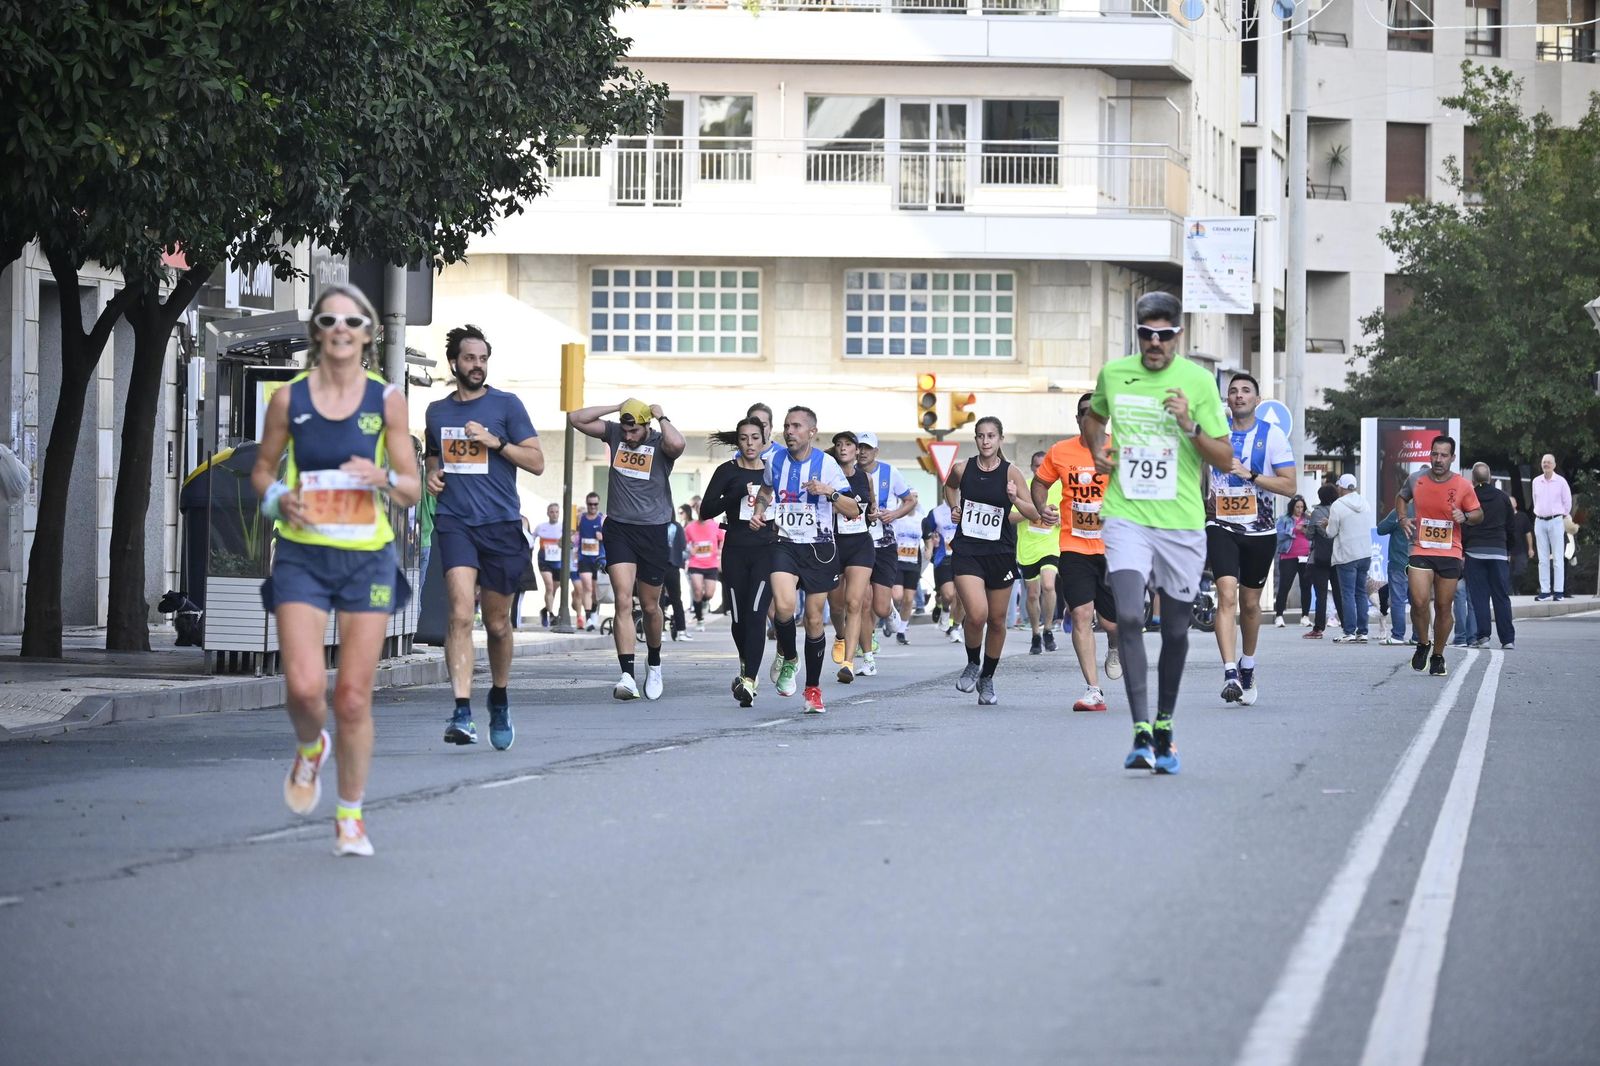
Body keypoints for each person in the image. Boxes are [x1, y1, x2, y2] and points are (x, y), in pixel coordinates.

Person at [254, 283, 421, 857]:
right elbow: (261, 471)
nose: (341, 330)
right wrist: (278, 498)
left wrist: (383, 479)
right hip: (302, 555)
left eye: (353, 322)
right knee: (304, 689)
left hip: (366, 558)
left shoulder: (387, 401)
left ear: (369, 334)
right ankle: (310, 748)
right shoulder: (289, 399)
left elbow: (412, 487)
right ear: (317, 332)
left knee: (351, 696)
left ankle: (350, 815)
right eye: (329, 320)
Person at [1081, 291, 1233, 773]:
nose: (1154, 343)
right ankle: (1141, 732)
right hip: (1126, 514)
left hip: (1181, 522)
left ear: (1177, 336)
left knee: (1174, 629)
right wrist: (1097, 449)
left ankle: (1165, 725)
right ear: (1138, 332)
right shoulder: (1114, 373)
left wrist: (1189, 425)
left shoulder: (1199, 381)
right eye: (1146, 334)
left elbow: (1225, 456)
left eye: (1164, 335)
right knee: (1128, 615)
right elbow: (1093, 417)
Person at [424, 324, 544, 751]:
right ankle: (461, 710)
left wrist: (496, 442)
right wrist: (432, 475)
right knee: (459, 614)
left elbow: (537, 462)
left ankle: (499, 697)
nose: (477, 365)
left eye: (482, 359)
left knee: (496, 624)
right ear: (454, 362)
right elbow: (433, 457)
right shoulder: (436, 412)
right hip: (455, 522)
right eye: (470, 358)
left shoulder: (506, 406)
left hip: (501, 525)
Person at [569, 399, 686, 700]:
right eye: (625, 430)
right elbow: (576, 418)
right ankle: (627, 676)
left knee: (650, 606)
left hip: (653, 530)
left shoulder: (661, 442)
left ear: (647, 425)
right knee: (622, 600)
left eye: (634, 431)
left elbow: (678, 443)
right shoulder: (614, 433)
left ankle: (655, 662)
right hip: (620, 529)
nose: (629, 437)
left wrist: (662, 416)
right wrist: (617, 406)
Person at [751, 406, 861, 714]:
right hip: (784, 543)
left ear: (812, 432)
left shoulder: (827, 464)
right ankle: (790, 657)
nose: (789, 431)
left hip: (819, 548)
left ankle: (813, 689)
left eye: (797, 426)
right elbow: (766, 489)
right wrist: (759, 510)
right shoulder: (774, 460)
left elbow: (854, 510)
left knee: (813, 619)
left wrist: (829, 492)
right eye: (787, 426)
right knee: (783, 607)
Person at [1204, 371, 1297, 702]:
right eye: (1233, 391)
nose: (1239, 395)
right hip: (1221, 525)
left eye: (1246, 390)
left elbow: (1290, 485)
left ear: (1257, 400)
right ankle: (1230, 672)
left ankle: (1247, 664)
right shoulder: (1215, 433)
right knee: (1226, 596)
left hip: (1261, 530)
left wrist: (1251, 475)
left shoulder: (1272, 435)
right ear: (1227, 400)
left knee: (1250, 604)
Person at [1031, 392, 1122, 713]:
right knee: (1081, 614)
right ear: (1078, 418)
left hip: (1113, 547)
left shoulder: (1121, 448)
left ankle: (1114, 646)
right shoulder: (1060, 451)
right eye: (1085, 412)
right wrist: (1042, 507)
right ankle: (1093, 690)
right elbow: (1040, 483)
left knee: (1112, 623)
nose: (1090, 417)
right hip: (1074, 545)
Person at [946, 416, 1045, 706]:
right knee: (977, 614)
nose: (986, 441)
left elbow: (1032, 512)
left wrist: (1015, 499)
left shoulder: (1011, 473)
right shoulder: (962, 468)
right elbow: (949, 487)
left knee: (998, 620)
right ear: (975, 439)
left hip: (1000, 553)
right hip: (968, 550)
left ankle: (987, 677)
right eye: (980, 436)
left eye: (991, 436)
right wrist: (954, 506)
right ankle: (972, 663)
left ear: (1000, 439)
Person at [700, 417, 779, 706]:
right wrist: (734, 495)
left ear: (764, 440)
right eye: (744, 438)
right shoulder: (727, 471)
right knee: (739, 618)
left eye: (755, 438)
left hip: (766, 551)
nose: (749, 444)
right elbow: (705, 511)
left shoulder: (774, 471)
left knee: (757, 614)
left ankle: (749, 680)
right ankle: (747, 666)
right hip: (735, 550)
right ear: (738, 441)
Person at [1397, 435, 1483, 676]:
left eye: (1444, 455)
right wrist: (1402, 518)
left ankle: (1438, 655)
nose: (1438, 459)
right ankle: (1423, 643)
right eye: (1435, 454)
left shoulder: (1463, 485)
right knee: (1419, 601)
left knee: (1444, 607)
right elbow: (1401, 497)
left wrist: (1465, 517)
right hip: (1421, 548)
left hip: (1450, 551)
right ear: (1430, 454)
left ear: (1452, 458)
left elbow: (1478, 514)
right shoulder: (1416, 479)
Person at [854, 432, 918, 655]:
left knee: (879, 606)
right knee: (862, 600)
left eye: (867, 448)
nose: (862, 452)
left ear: (876, 451)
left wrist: (894, 514)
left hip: (884, 542)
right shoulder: (847, 472)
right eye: (860, 447)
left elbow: (910, 500)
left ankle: (888, 610)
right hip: (856, 542)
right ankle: (867, 645)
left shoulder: (890, 472)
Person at [826, 431, 877, 684]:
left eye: (848, 444)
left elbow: (871, 505)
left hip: (860, 544)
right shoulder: (828, 477)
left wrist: (873, 514)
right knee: (836, 606)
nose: (843, 448)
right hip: (833, 545)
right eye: (839, 444)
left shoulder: (865, 477)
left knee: (855, 603)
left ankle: (848, 663)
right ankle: (840, 635)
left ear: (857, 450)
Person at [1463, 462, 1517, 649]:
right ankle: (1507, 639)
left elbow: (1464, 525)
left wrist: (1464, 548)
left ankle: (1483, 637)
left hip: (1474, 551)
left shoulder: (1469, 497)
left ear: (1473, 479)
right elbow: (1511, 527)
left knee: (1479, 597)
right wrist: (1508, 549)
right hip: (1498, 552)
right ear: (1490, 477)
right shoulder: (1503, 498)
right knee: (1501, 596)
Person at [1016, 449, 1063, 656]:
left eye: (1044, 466)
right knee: (1033, 594)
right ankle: (1036, 633)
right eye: (1037, 466)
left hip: (1051, 545)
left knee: (1048, 584)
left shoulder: (1061, 486)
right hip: (1028, 548)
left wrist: (1060, 519)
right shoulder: (1024, 487)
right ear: (1032, 468)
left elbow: (1072, 514)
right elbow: (1010, 517)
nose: (1040, 469)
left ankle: (1049, 629)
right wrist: (1032, 512)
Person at [1325, 473, 1373, 644]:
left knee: (1347, 594)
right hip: (1364, 553)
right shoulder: (1365, 503)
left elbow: (1331, 532)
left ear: (1342, 487)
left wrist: (1326, 525)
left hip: (1346, 554)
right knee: (1361, 593)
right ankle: (1363, 632)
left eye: (1339, 486)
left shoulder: (1338, 505)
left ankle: (1349, 631)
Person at [1531, 453, 1572, 601]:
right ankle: (1545, 591)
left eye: (1549, 462)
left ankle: (1559, 591)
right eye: (1544, 462)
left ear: (1554, 465)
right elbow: (1535, 500)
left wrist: (1561, 516)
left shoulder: (1561, 482)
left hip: (1556, 521)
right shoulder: (1536, 481)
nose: (1546, 464)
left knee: (1557, 557)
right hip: (1540, 521)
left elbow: (1567, 502)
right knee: (1542, 559)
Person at [1374, 503, 1414, 645]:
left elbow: (1381, 529)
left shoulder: (1399, 511)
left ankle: (1398, 635)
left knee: (1398, 600)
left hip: (1399, 561)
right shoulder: (1427, 508)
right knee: (1418, 601)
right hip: (1420, 563)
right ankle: (1418, 636)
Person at [1302, 485, 1338, 639]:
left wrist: (1306, 529)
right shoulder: (1339, 509)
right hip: (1338, 556)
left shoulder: (1317, 512)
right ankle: (1348, 627)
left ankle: (1318, 628)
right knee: (1340, 592)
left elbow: (1310, 535)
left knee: (1321, 594)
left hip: (1321, 557)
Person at [923, 500, 962, 642]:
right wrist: (929, 546)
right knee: (948, 594)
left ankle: (955, 628)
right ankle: (945, 609)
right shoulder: (936, 512)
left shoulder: (967, 507)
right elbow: (927, 529)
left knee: (962, 597)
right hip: (944, 558)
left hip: (964, 557)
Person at [683, 503, 724, 632]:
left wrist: (720, 551)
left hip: (711, 564)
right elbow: (684, 543)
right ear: (696, 511)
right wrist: (690, 549)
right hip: (695, 564)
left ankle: (701, 603)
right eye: (699, 510)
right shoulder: (690, 527)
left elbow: (722, 538)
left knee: (710, 593)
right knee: (697, 590)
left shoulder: (714, 525)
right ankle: (700, 619)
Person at [1272, 495, 1311, 627]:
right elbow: (1278, 535)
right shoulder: (1284, 519)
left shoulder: (1308, 519)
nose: (1300, 510)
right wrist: (1294, 530)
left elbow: (1314, 535)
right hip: (1288, 556)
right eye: (1297, 507)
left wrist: (1307, 531)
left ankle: (1305, 616)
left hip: (1305, 555)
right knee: (1284, 585)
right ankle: (1279, 616)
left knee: (1306, 586)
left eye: (1302, 507)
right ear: (1292, 507)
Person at [575, 493, 604, 630]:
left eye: (595, 504)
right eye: (590, 504)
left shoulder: (602, 519)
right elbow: (574, 534)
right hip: (584, 558)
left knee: (595, 591)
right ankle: (588, 619)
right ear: (586, 504)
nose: (592, 507)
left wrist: (603, 537)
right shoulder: (580, 518)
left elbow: (612, 537)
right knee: (587, 587)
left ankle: (593, 613)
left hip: (598, 559)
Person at [532, 502, 564, 627]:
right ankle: (551, 615)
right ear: (547, 513)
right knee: (549, 587)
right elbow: (531, 539)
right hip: (544, 560)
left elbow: (571, 542)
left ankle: (545, 610)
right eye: (552, 512)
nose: (554, 514)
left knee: (554, 589)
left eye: (556, 512)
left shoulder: (563, 527)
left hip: (558, 562)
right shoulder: (541, 527)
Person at [664, 505, 692, 641]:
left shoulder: (657, 525)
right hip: (673, 565)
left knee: (658, 600)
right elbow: (682, 546)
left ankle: (660, 632)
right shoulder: (677, 527)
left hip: (658, 565)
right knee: (676, 599)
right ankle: (681, 631)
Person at [1508, 492, 1534, 593]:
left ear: (1515, 504)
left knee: (1521, 571)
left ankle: (1516, 588)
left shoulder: (1523, 516)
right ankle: (1510, 592)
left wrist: (1530, 548)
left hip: (1521, 550)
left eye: (1512, 502)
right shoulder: (1504, 517)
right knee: (1507, 573)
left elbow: (1528, 533)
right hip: (1508, 550)